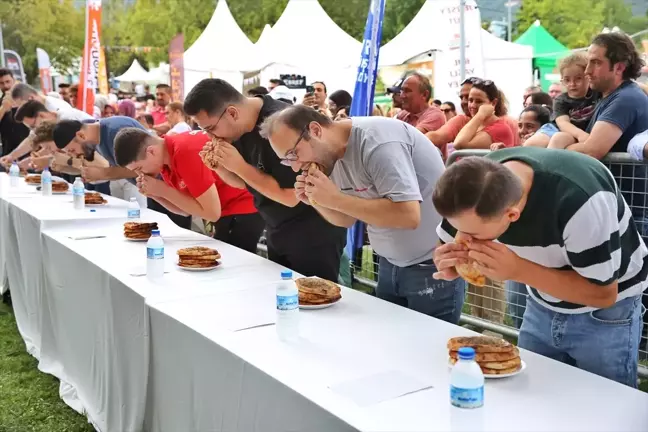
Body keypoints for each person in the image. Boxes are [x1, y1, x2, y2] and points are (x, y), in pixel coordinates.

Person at [432, 147, 647, 387]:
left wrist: (517, 270)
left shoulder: (580, 200)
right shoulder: (471, 187)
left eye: (472, 234)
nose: (465, 239)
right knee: (532, 393)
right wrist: (451, 265)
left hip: (605, 315)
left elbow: (603, 294)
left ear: (512, 216)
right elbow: (447, 240)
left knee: (605, 402)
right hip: (540, 302)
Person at [260, 105, 465, 324]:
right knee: (391, 347)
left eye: (294, 154)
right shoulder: (329, 155)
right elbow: (346, 219)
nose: (295, 168)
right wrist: (317, 201)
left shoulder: (378, 143)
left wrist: (335, 199)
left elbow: (408, 215)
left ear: (316, 130)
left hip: (431, 267)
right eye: (287, 160)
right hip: (390, 264)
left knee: (427, 351)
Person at [184, 78, 346, 281]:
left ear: (232, 113)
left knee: (315, 302)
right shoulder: (239, 129)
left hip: (313, 231)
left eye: (210, 128)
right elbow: (246, 183)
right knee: (282, 298)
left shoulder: (282, 124)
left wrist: (239, 167)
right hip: (276, 228)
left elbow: (291, 196)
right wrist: (220, 168)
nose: (209, 137)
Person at [113, 128, 263, 252]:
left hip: (243, 207)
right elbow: (186, 210)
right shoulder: (165, 158)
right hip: (225, 210)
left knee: (234, 266)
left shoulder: (184, 152)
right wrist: (155, 194)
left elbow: (212, 213)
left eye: (139, 168)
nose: (141, 174)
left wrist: (163, 190)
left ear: (151, 151)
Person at [566, 32, 648, 159]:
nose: (587, 71)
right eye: (589, 62)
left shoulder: (625, 98)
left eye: (596, 63)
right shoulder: (609, 95)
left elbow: (591, 151)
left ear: (619, 68)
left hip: (620, 179)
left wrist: (559, 149)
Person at [52, 117, 148, 205]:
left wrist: (103, 173)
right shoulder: (96, 138)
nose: (75, 155)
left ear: (81, 135)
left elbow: (142, 167)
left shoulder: (116, 130)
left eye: (72, 150)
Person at [524, 53, 598, 149]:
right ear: (562, 80)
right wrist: (581, 135)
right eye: (567, 80)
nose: (572, 84)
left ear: (588, 77)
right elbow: (563, 123)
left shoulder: (596, 94)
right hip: (557, 128)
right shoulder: (561, 100)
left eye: (578, 78)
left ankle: (548, 163)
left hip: (571, 134)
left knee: (558, 139)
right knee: (530, 145)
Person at [453, 79, 514, 150]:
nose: (472, 105)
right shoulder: (476, 124)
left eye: (479, 101)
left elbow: (459, 144)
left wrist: (480, 115)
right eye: (470, 100)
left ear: (493, 103)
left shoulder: (500, 128)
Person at [0, 68, 30, 170]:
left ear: (14, 81)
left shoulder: (25, 100)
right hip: (7, 152)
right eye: (2, 83)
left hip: (27, 151)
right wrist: (3, 108)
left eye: (8, 81)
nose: (6, 86)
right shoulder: (1, 103)